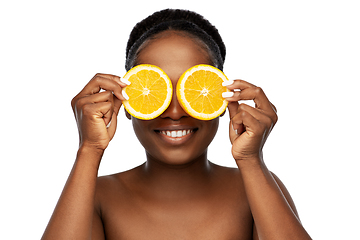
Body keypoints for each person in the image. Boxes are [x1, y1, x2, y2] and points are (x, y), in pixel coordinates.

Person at [41, 9, 312, 239]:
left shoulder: (255, 187)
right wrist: (89, 149)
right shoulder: (97, 195)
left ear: (219, 101)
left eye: (191, 92)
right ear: (127, 104)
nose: (174, 112)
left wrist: (251, 160)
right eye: (156, 94)